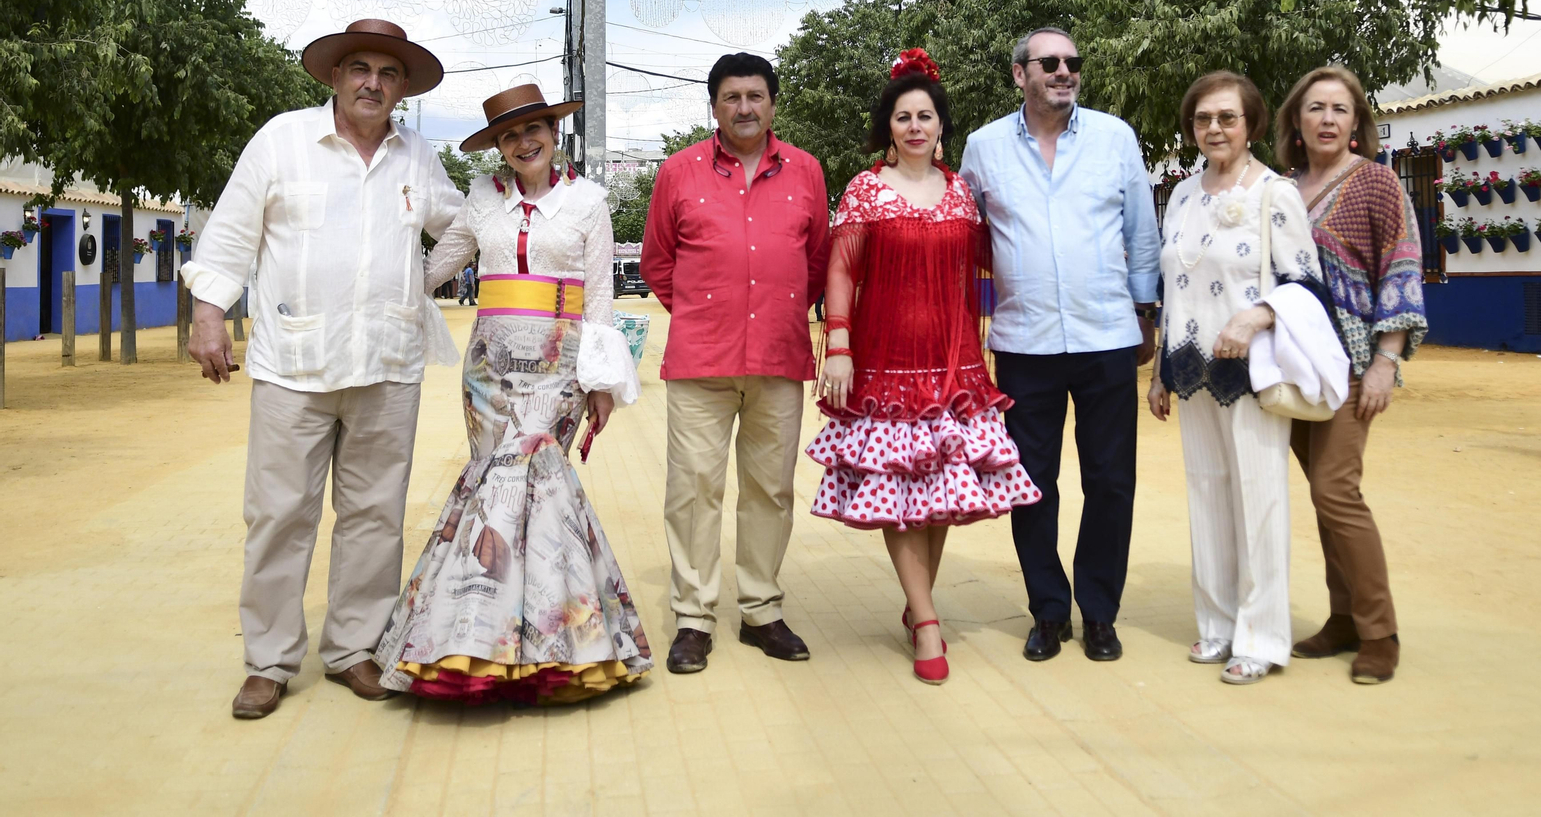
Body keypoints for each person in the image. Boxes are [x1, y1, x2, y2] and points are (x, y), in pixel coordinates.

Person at [183, 19, 464, 719]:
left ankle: (355, 648)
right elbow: (230, 231)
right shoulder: (283, 140)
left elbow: (462, 224)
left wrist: (419, 281)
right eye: (360, 68)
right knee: (279, 515)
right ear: (336, 77)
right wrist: (209, 313)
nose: (373, 82)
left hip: (387, 364)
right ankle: (269, 660)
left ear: (402, 89)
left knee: (375, 515)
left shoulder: (416, 156)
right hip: (293, 365)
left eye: (388, 73)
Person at [373, 83, 648, 704]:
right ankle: (485, 645)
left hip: (561, 367)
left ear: (555, 134)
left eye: (534, 131)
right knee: (493, 489)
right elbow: (435, 268)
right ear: (498, 146)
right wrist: (371, 272)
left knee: (535, 489)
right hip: (488, 371)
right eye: (509, 136)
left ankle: (540, 649)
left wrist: (601, 384)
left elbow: (601, 296)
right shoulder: (480, 202)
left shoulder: (589, 201)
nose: (524, 143)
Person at [807, 50, 1041, 686]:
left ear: (942, 128)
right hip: (884, 364)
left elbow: (990, 264)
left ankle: (917, 605)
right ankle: (929, 620)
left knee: (938, 496)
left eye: (926, 116)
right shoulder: (864, 189)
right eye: (904, 116)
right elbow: (841, 271)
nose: (916, 126)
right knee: (903, 499)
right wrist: (841, 345)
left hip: (955, 363)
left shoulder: (963, 192)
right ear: (889, 126)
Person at [960, 27, 1160, 663]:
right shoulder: (984, 147)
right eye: (1049, 63)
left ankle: (1099, 611)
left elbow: (1142, 232)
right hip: (1024, 342)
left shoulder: (1114, 138)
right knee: (1031, 481)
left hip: (1106, 336)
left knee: (1110, 481)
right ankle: (1048, 611)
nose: (1064, 72)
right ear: (1019, 74)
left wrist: (1145, 313)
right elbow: (964, 237)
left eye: (1072, 62)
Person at [640, 52, 831, 675]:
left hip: (778, 356)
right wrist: (701, 312)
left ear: (772, 103)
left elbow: (817, 260)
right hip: (702, 361)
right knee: (693, 490)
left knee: (770, 490)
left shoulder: (806, 171)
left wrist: (774, 308)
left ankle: (761, 611)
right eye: (732, 98)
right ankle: (693, 618)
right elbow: (657, 263)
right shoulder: (679, 171)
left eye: (755, 96)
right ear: (714, 106)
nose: (744, 107)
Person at [1147, 71, 1331, 685]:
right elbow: (1171, 284)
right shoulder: (1179, 195)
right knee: (1206, 492)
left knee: (1260, 497)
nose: (1215, 129)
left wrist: (1255, 317)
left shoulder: (1274, 193)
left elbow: (1306, 282)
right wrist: (1158, 374)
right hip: (1190, 367)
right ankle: (1218, 624)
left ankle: (1261, 636)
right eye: (1203, 119)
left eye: (1227, 117)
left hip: (1250, 369)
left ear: (1251, 123)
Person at [1279, 66, 1427, 685]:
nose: (1329, 119)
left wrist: (1386, 363)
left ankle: (1379, 631)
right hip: (1292, 363)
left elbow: (1402, 266)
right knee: (1322, 496)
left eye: (1341, 108)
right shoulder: (1282, 190)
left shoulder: (1377, 184)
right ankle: (1342, 618)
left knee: (1337, 491)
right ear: (1296, 121)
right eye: (1316, 108)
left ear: (1356, 120)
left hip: (1352, 362)